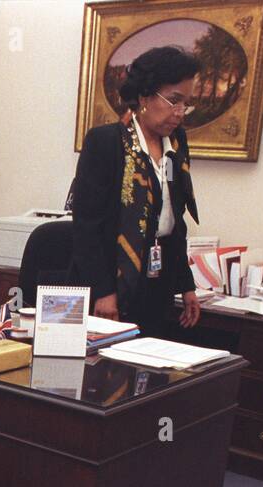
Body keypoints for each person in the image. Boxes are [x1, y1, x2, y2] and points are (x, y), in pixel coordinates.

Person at [69, 45, 202, 338]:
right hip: (110, 278)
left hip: (158, 279)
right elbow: (87, 227)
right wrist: (104, 292)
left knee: (147, 368)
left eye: (186, 104)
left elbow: (174, 221)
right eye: (174, 101)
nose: (180, 113)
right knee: (105, 372)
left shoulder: (176, 143)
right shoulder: (106, 143)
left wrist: (186, 284)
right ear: (144, 96)